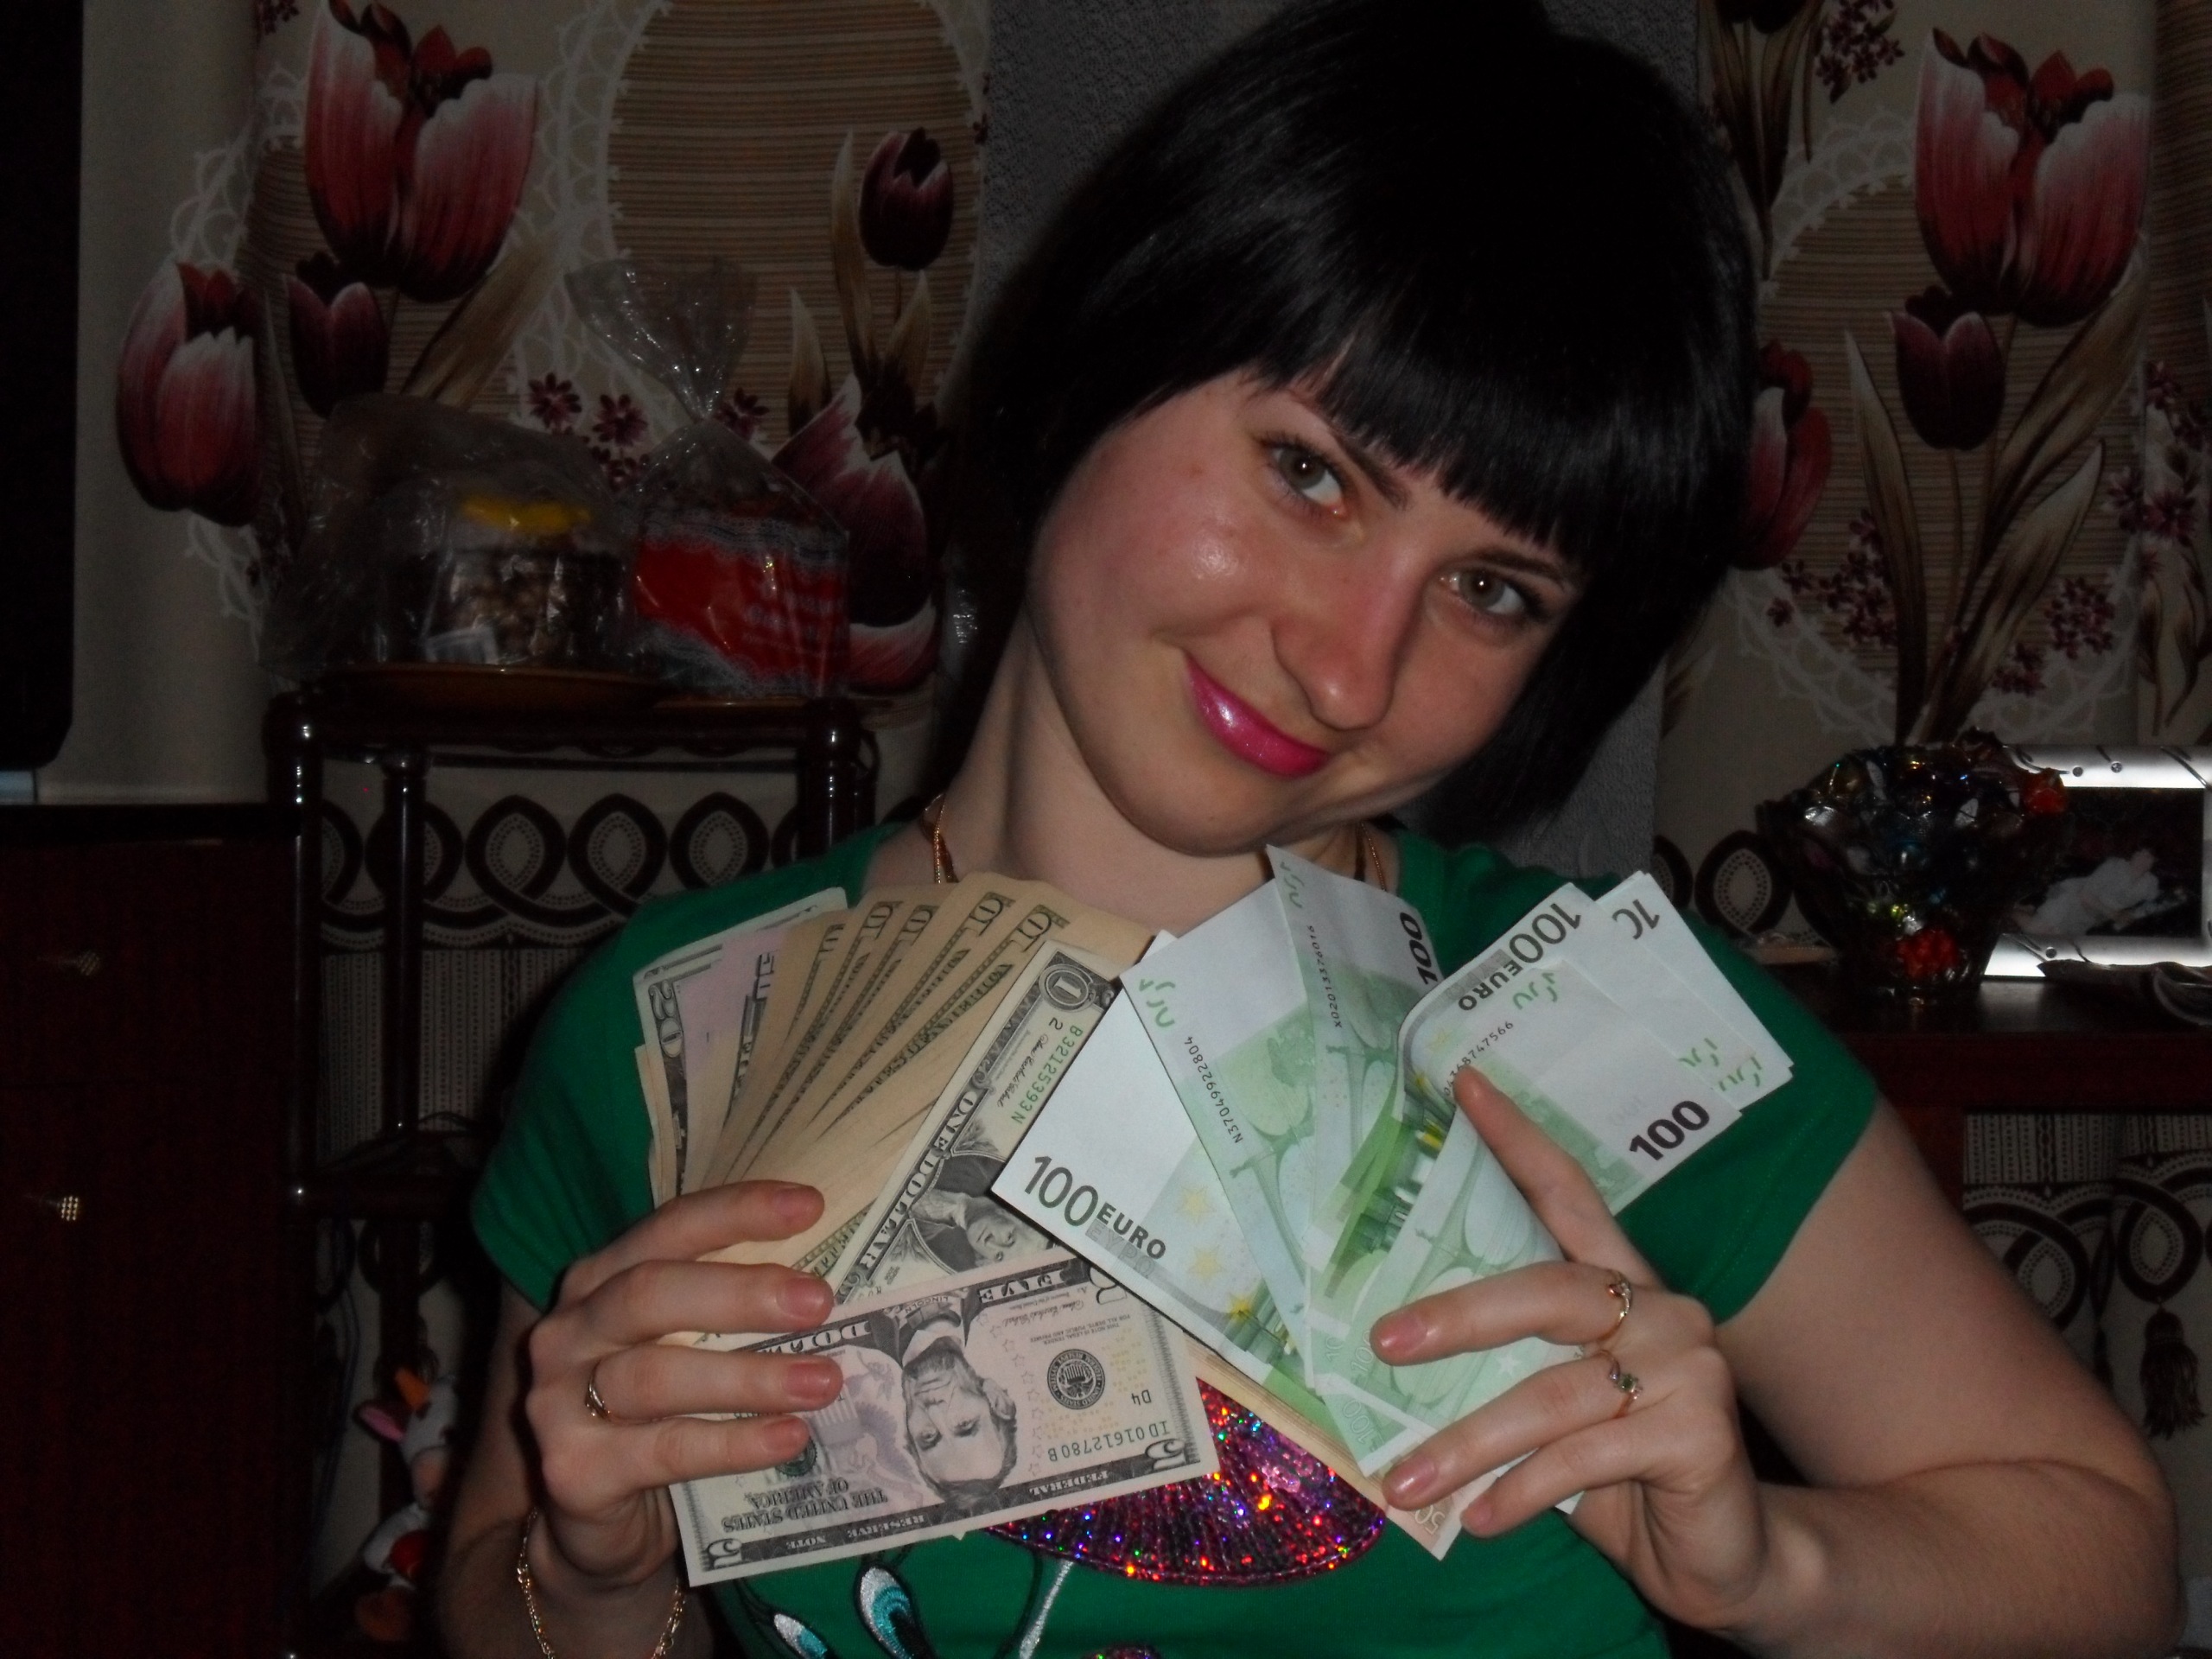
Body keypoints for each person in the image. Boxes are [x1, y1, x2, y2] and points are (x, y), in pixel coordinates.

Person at [439, 2, 2182, 1655]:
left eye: (1491, 590)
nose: (1350, 669)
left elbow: (2100, 1554)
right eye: (1310, 473)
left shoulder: (1587, 1030)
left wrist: (1766, 1563)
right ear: (1104, 351)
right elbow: (500, 1598)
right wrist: (592, 1574)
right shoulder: (662, 1040)